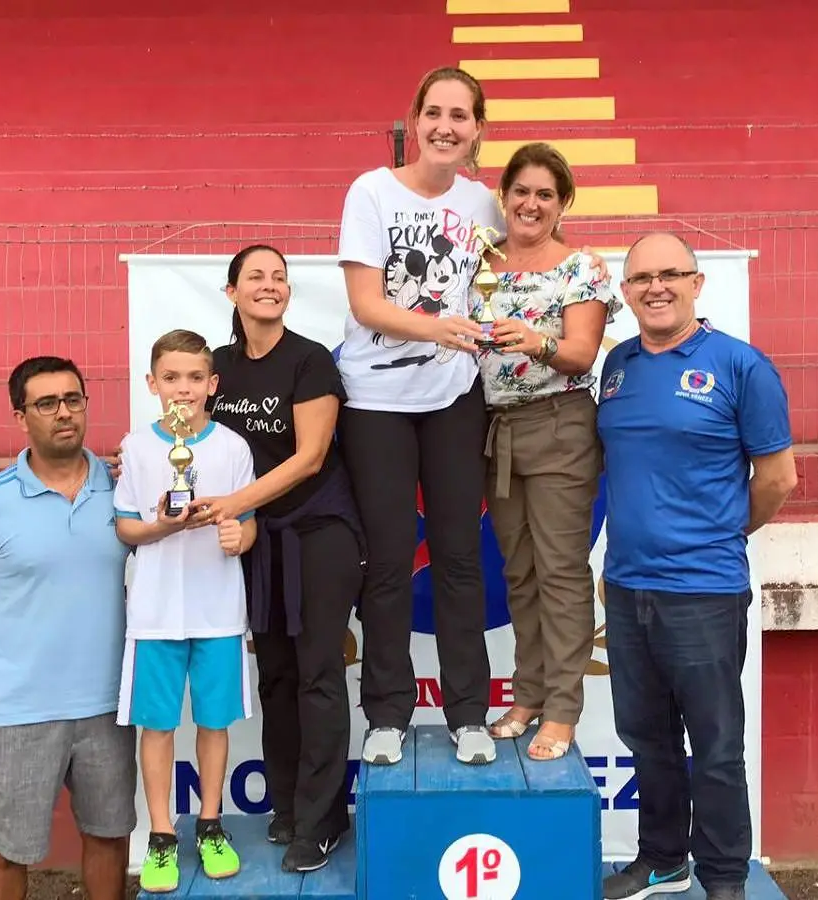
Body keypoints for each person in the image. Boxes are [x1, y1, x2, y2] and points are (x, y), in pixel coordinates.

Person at [596, 232, 797, 900]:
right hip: (626, 588)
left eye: (669, 275)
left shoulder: (741, 366)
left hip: (704, 592)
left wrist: (720, 534)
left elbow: (777, 478)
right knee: (646, 737)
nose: (655, 288)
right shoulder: (618, 365)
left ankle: (723, 875)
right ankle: (662, 858)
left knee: (714, 748)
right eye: (640, 278)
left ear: (696, 283)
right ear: (624, 293)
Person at [336, 65, 503, 767]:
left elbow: (519, 270)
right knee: (387, 559)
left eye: (459, 116)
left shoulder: (485, 203)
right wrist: (443, 327)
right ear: (415, 117)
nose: (444, 126)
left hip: (454, 399)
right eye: (433, 112)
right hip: (375, 401)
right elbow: (367, 306)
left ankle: (470, 713)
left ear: (476, 129)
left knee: (462, 558)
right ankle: (387, 714)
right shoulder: (370, 191)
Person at [0, 356, 135, 900]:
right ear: (21, 416)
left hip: (107, 704)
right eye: (46, 403)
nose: (63, 413)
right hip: (21, 708)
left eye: (73, 400)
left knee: (110, 836)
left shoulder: (123, 489)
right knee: (10, 851)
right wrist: (22, 611)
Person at [192, 244, 365, 874]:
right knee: (277, 677)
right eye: (255, 277)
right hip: (258, 536)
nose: (270, 286)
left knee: (318, 672)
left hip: (320, 530)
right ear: (232, 292)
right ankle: (290, 806)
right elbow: (194, 442)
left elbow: (310, 457)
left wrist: (235, 504)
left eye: (279, 277)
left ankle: (322, 820)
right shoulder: (217, 367)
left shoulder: (309, 360)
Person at [473, 143, 618, 761]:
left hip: (560, 424)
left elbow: (583, 354)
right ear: (503, 196)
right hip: (494, 432)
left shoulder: (580, 268)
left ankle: (562, 708)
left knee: (561, 571)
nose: (530, 204)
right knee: (519, 571)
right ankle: (528, 693)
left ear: (562, 206)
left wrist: (536, 341)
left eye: (545, 195)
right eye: (521, 191)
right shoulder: (476, 259)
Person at [113, 329, 258, 891]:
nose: (183, 389)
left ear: (212, 384)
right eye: (170, 378)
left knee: (214, 723)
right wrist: (161, 525)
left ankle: (211, 823)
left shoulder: (233, 448)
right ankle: (160, 836)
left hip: (218, 611)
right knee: (157, 726)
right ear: (152, 384)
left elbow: (246, 523)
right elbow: (126, 528)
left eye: (195, 378)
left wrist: (235, 538)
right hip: (154, 614)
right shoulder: (137, 447)